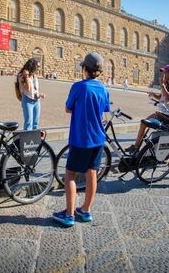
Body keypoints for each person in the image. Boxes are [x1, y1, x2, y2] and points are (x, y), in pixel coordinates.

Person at [52, 52, 110, 227]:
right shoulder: (104, 89)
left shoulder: (79, 87)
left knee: (70, 174)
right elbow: (104, 111)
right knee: (92, 173)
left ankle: (69, 215)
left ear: (84, 68)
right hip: (98, 138)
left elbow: (68, 108)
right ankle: (85, 210)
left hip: (81, 138)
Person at [125, 64, 169, 154]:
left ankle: (150, 148)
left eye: (165, 72)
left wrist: (162, 84)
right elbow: (162, 97)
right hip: (161, 114)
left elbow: (168, 96)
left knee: (149, 125)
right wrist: (153, 95)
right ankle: (136, 147)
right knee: (144, 123)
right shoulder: (167, 84)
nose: (163, 74)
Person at [17, 58, 46, 130]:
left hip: (36, 101)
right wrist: (26, 77)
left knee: (35, 123)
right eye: (38, 66)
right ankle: (27, 140)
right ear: (32, 66)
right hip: (27, 100)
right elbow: (28, 89)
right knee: (28, 123)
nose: (39, 68)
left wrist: (40, 94)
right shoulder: (22, 76)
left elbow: (34, 90)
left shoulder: (34, 76)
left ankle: (34, 140)